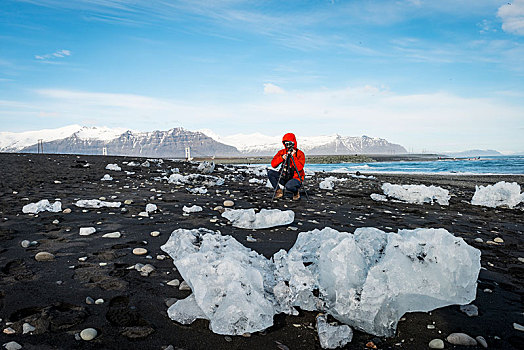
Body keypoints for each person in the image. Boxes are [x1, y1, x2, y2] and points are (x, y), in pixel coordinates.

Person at [267, 133, 305, 200]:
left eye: (290, 143)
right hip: (284, 177)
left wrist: (293, 157)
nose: (288, 145)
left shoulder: (300, 154)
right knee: (270, 173)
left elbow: (299, 168)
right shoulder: (282, 152)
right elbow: (273, 165)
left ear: (294, 142)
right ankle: (278, 191)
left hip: (296, 178)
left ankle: (296, 192)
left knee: (289, 186)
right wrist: (281, 158)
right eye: (286, 143)